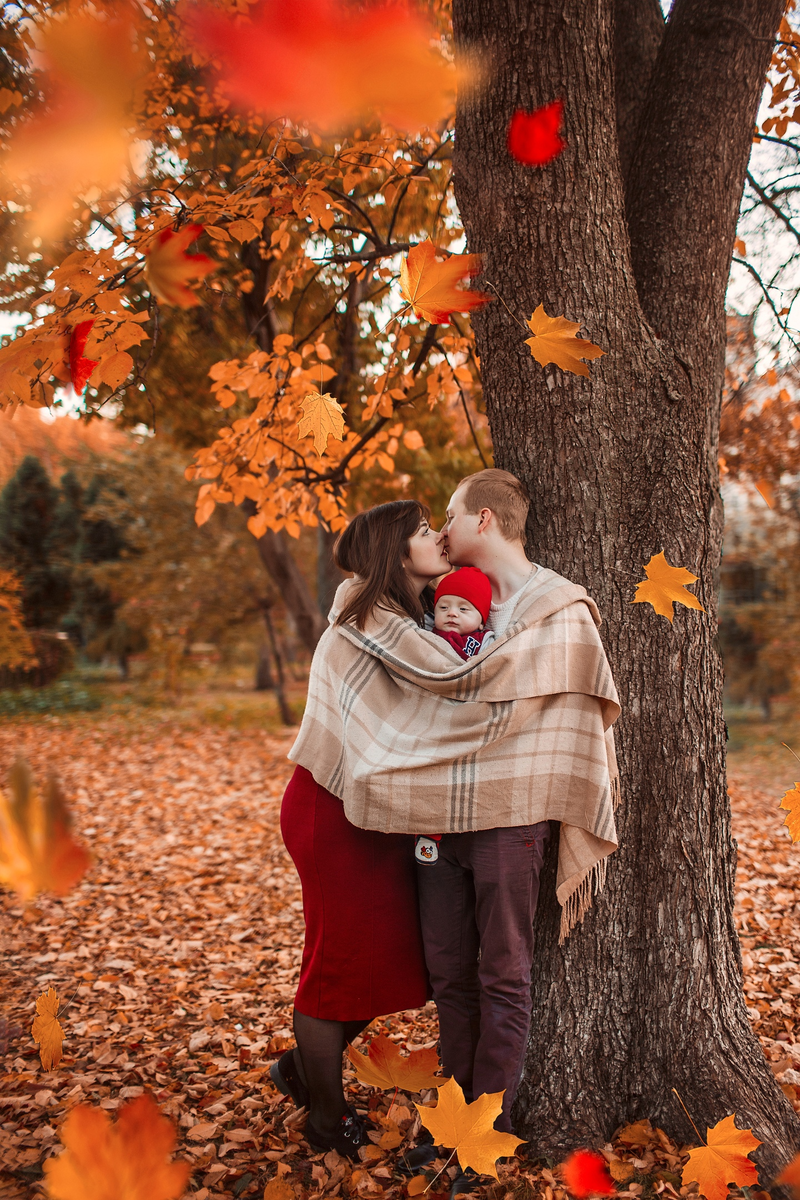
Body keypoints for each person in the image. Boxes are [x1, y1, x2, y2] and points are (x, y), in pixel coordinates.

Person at [290, 468, 620, 1199]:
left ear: (483, 521)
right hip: (427, 818)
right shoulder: (420, 604)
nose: (438, 531)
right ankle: (444, 1123)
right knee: (444, 975)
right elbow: (434, 699)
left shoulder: (553, 607)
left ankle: (482, 1130)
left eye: (446, 517)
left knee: (502, 973)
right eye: (423, 528)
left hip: (508, 815)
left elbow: (541, 703)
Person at [272, 499, 448, 1158]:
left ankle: (300, 1069)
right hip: (330, 811)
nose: (438, 537)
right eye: (426, 531)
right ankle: (324, 1116)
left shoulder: (413, 620)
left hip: (375, 815)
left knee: (399, 962)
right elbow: (454, 685)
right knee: (335, 967)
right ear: (397, 552)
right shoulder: (368, 622)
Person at [430, 566, 493, 661]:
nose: (451, 613)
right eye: (444, 607)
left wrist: (481, 662)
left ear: (481, 623)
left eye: (463, 609)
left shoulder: (484, 642)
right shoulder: (426, 634)